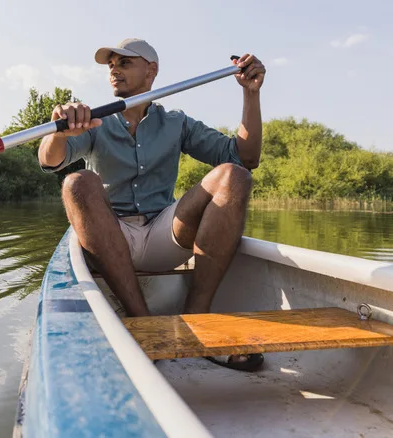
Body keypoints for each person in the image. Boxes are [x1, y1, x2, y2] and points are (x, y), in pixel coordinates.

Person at [38, 38, 266, 371]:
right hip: (109, 240)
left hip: (164, 233)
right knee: (78, 182)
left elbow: (247, 157)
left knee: (234, 176)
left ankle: (197, 315)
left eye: (125, 63)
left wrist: (251, 93)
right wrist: (59, 134)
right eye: (111, 65)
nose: (114, 69)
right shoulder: (93, 121)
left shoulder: (177, 122)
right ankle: (142, 322)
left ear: (151, 71)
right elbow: (50, 161)